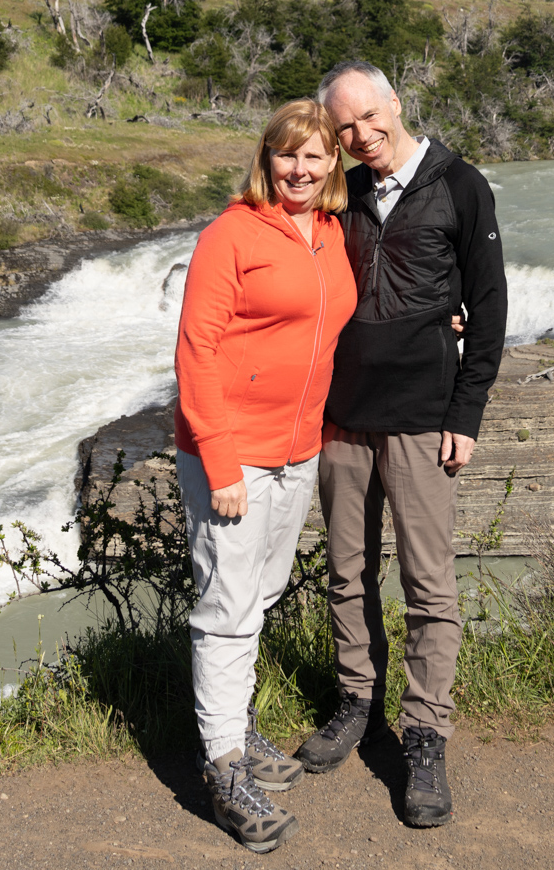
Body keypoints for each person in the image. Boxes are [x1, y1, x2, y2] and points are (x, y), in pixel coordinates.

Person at [298, 60, 508, 828]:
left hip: (425, 418)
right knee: (346, 573)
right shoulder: (339, 194)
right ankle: (356, 701)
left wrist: (467, 412)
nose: (359, 136)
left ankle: (424, 734)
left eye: (367, 118)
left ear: (396, 104)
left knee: (429, 586)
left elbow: (487, 308)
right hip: (343, 416)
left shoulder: (461, 185)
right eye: (343, 127)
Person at [173, 99, 356, 854]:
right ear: (267, 159)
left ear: (333, 165)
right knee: (227, 605)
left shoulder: (332, 235)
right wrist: (220, 460)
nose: (300, 170)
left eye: (315, 157)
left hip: (297, 450)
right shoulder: (231, 235)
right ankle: (223, 770)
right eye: (287, 155)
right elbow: (196, 351)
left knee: (263, 593)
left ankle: (236, 729)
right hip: (233, 456)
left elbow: (333, 324)